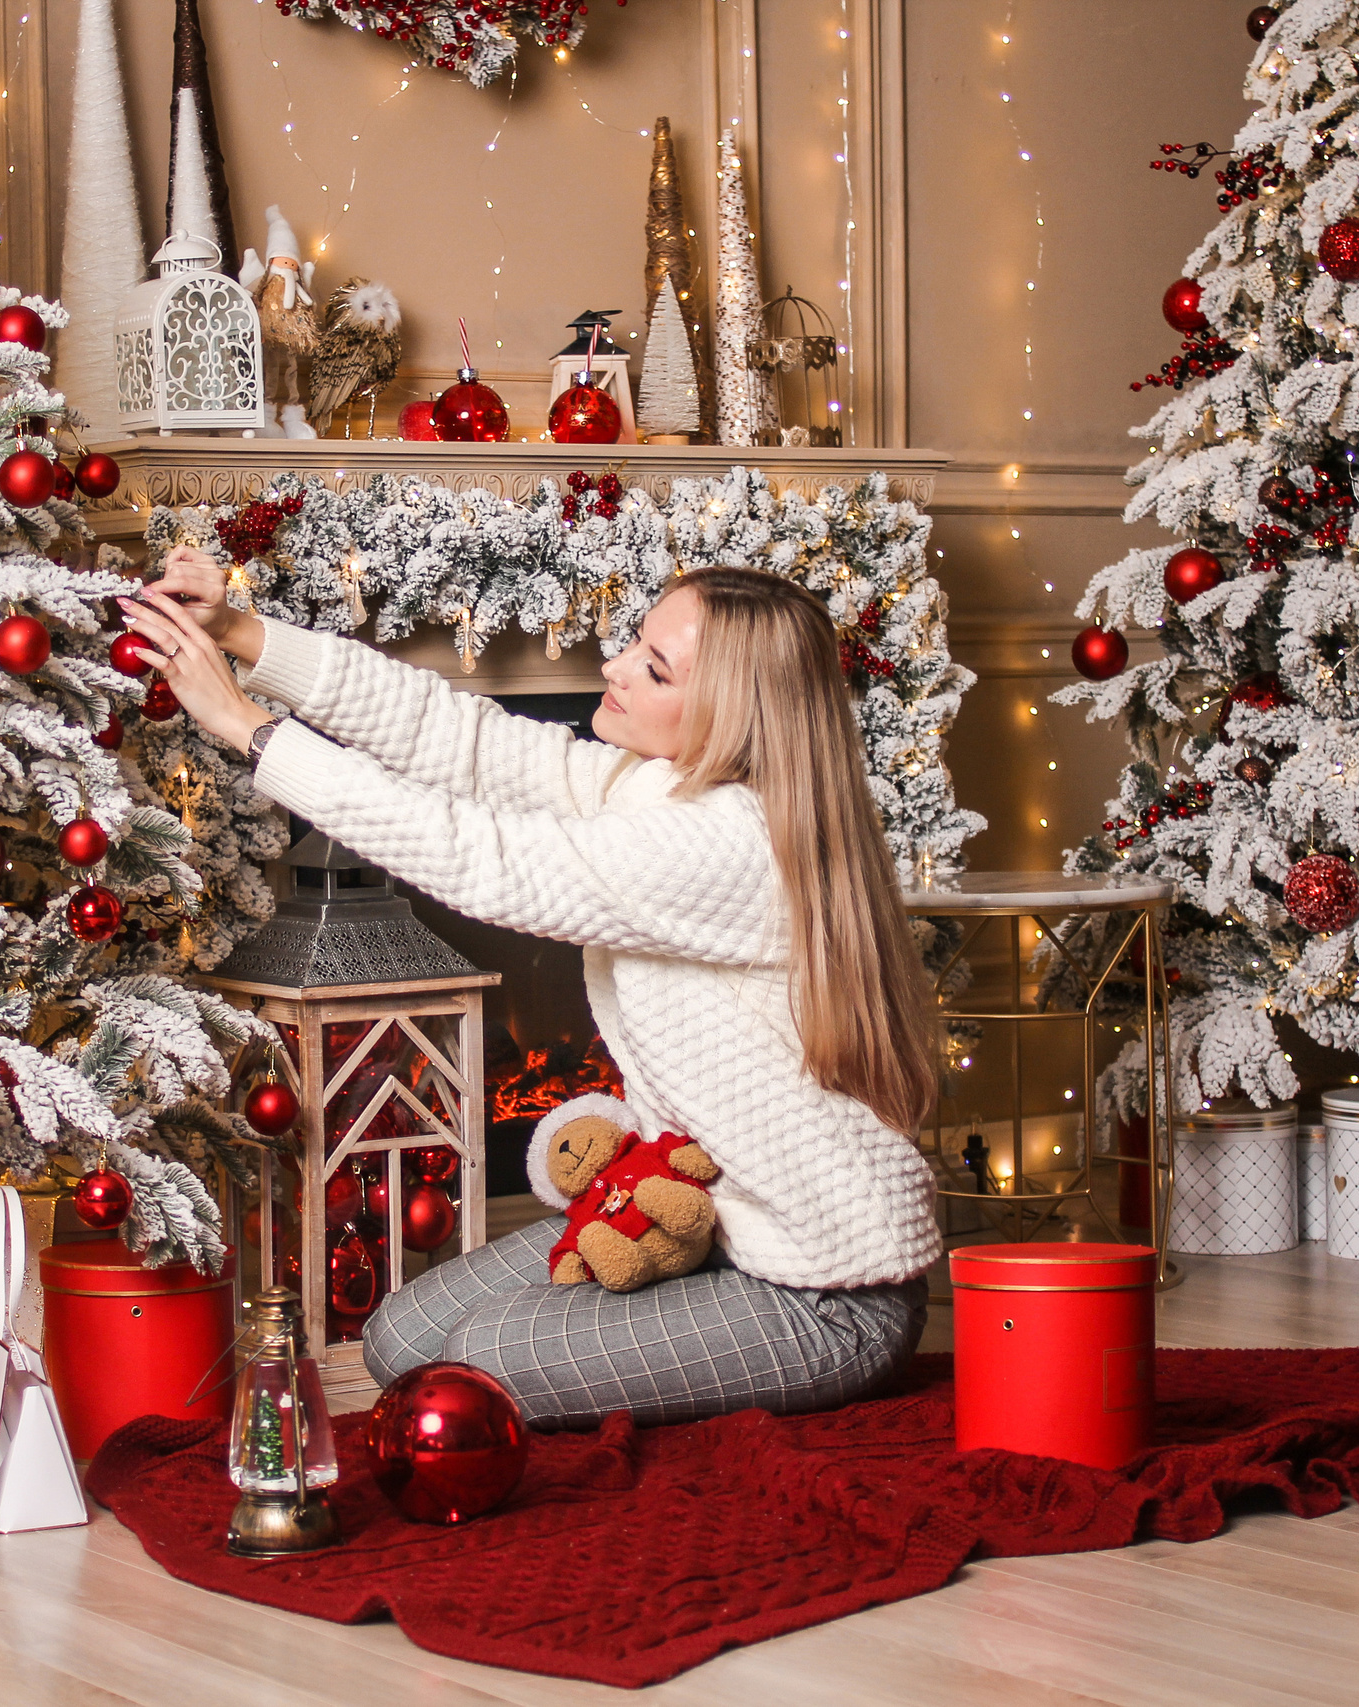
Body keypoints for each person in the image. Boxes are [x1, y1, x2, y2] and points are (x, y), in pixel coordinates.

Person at [120, 548, 941, 1427]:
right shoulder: (651, 785)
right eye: (635, 642)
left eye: (654, 669)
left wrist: (252, 729)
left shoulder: (736, 842)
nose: (615, 667)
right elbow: (458, 738)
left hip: (821, 1291)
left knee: (475, 1365)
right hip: (695, 1229)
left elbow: (486, 861)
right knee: (404, 1339)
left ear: (732, 717)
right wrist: (242, 632)